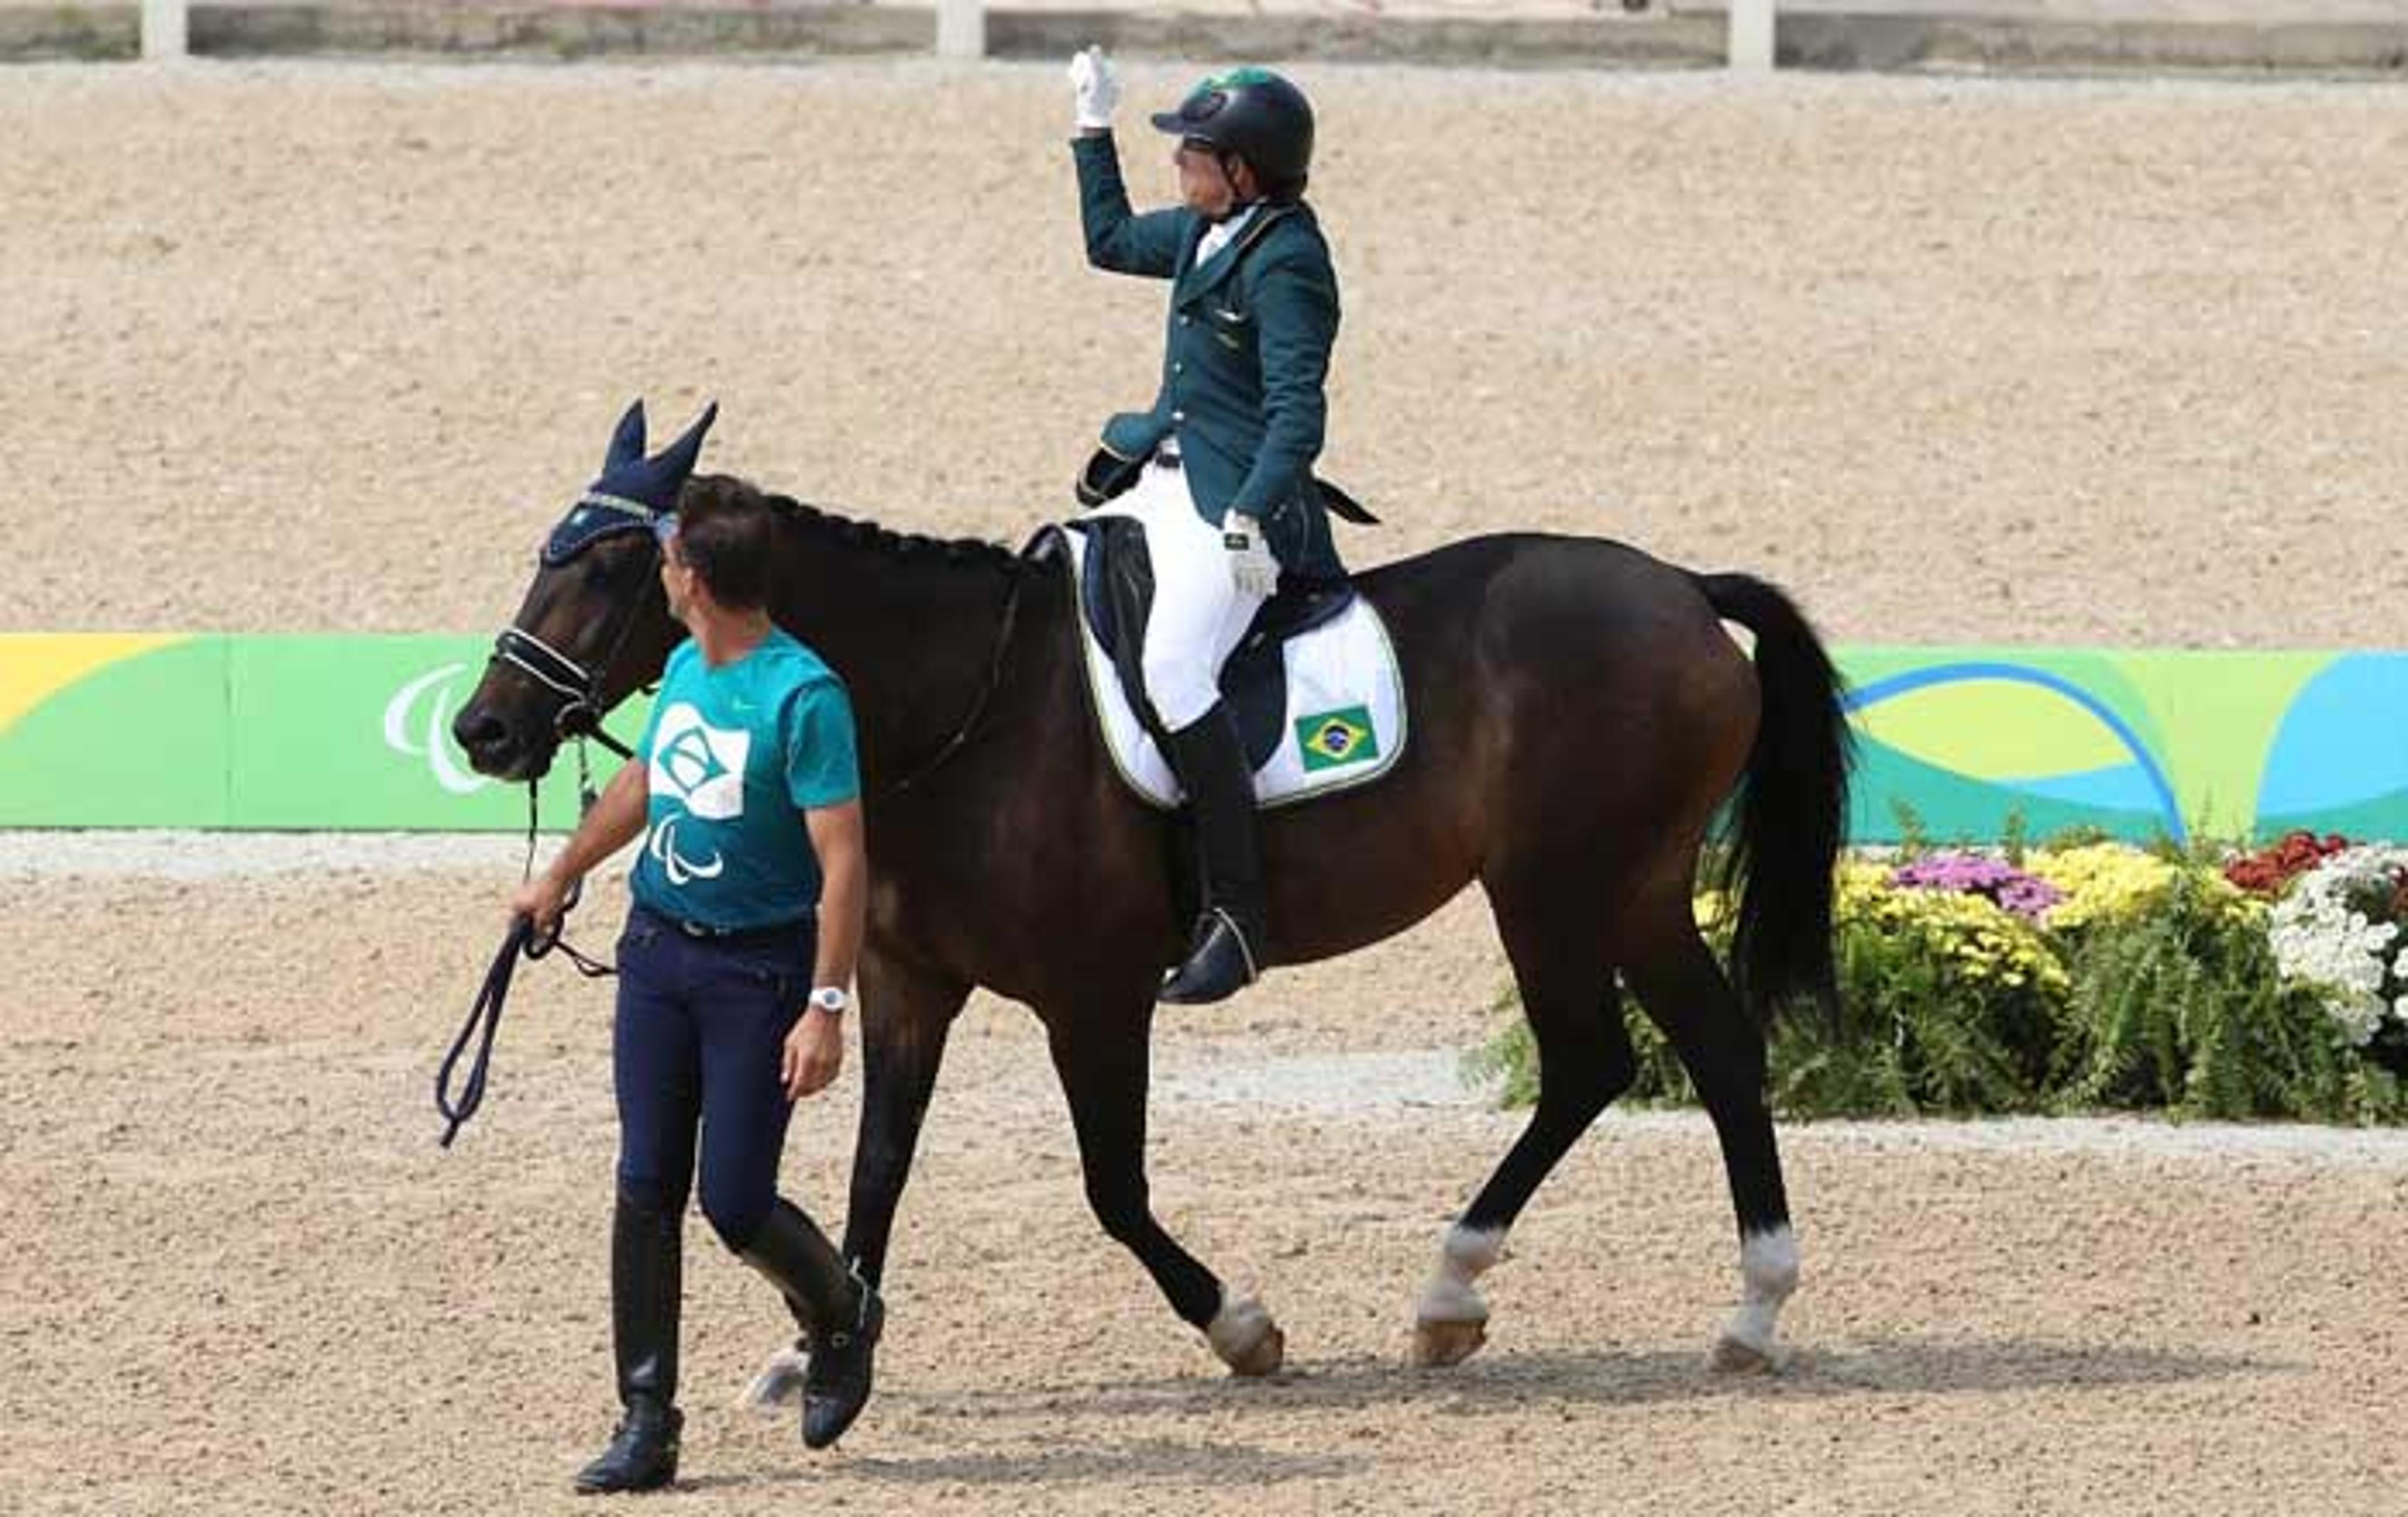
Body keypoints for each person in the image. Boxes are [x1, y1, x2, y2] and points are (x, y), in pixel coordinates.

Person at [510, 484, 879, 1494]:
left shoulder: (805, 698)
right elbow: (641, 784)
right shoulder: (681, 668)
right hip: (660, 956)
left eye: (669, 560)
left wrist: (827, 1005)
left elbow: (843, 862)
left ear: (697, 580)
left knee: (735, 1200)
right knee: (644, 1186)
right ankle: (646, 1419)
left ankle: (842, 1311)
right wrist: (562, 873)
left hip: (756, 973)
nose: (662, 575)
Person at [1066, 46, 1347, 1005]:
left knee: (1177, 668)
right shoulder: (1203, 231)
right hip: (1162, 472)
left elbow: (1296, 416)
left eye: (1195, 157)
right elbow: (1105, 240)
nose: (1180, 170)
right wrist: (1091, 129)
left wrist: (1251, 514)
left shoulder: (1289, 263)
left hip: (1235, 504)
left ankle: (1236, 916)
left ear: (1247, 169)